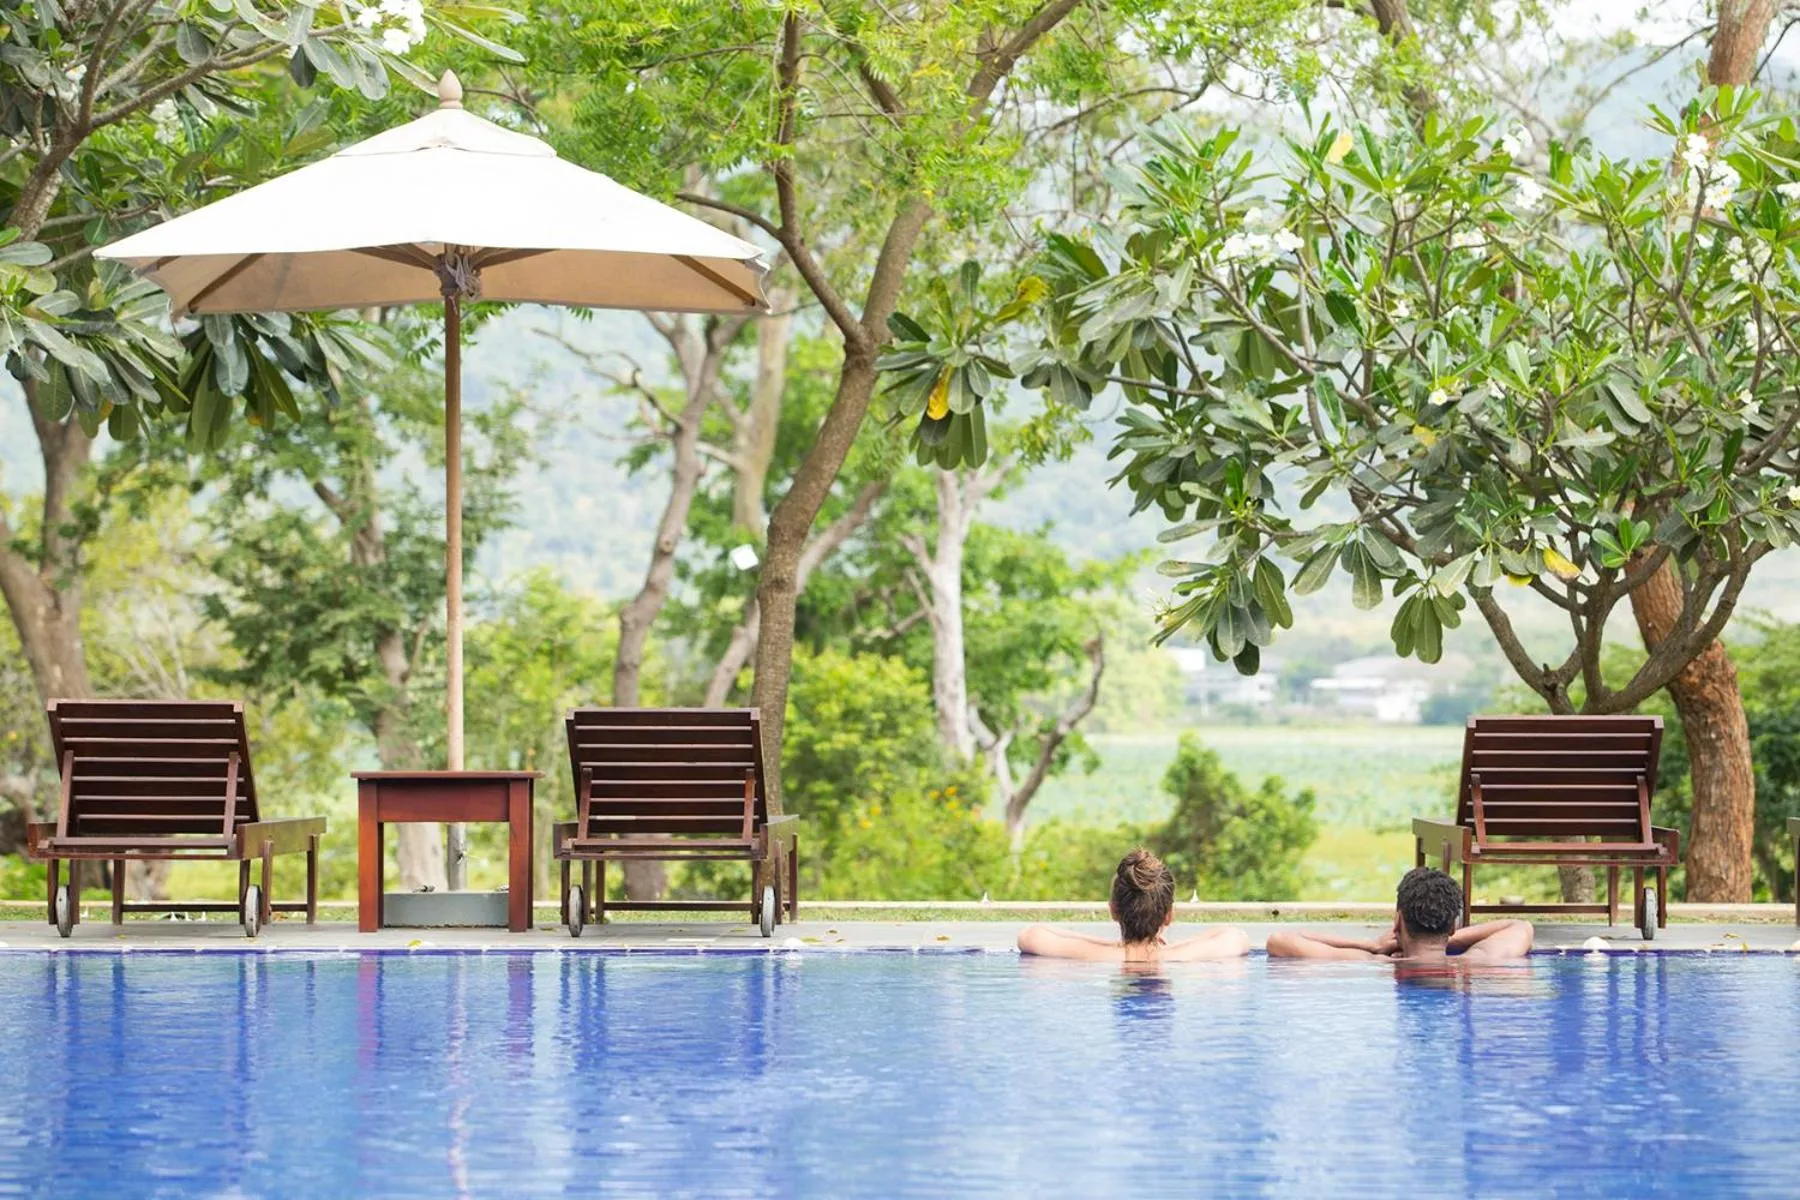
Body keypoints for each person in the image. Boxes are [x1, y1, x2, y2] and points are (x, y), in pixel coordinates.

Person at [1017, 848, 1252, 964]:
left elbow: (1030, 935)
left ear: (1113, 911)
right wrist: (1162, 939)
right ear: (1168, 916)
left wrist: (1117, 945)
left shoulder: (1096, 955)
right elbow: (1237, 936)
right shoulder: (1181, 956)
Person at [1266, 866, 1533, 963]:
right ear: (1452, 925)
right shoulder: (1476, 961)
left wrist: (1370, 945)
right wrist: (1443, 939)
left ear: (1397, 921)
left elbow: (1280, 939)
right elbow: (1519, 926)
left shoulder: (1371, 964)